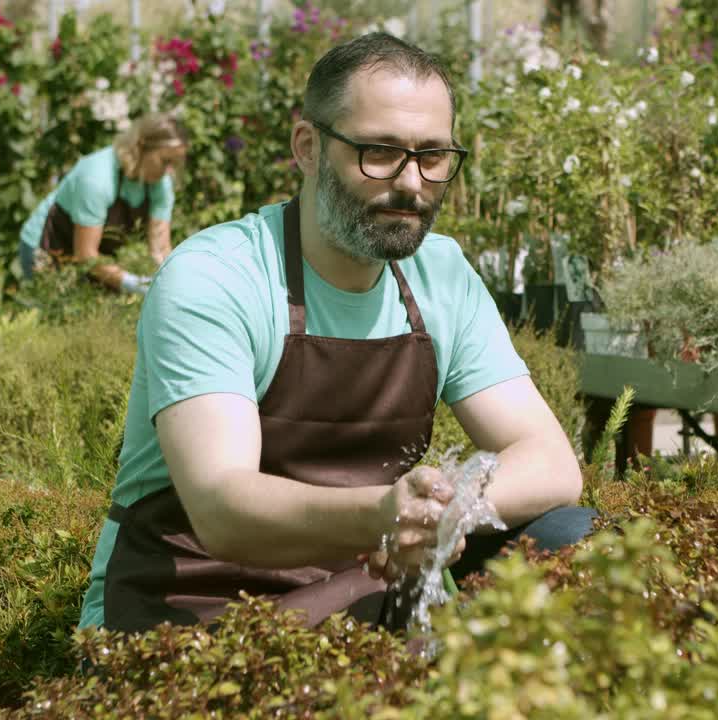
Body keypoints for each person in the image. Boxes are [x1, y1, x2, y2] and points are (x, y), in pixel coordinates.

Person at [78, 32, 593, 634]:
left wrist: (439, 513)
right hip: (189, 608)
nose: (411, 184)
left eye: (432, 157)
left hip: (362, 589)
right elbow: (222, 508)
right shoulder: (216, 277)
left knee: (573, 539)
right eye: (379, 151)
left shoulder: (441, 275)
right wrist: (380, 516)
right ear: (308, 146)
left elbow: (552, 462)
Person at [18, 113, 189, 293]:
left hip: (88, 252)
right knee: (55, 312)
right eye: (165, 161)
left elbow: (160, 248)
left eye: (175, 163)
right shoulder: (97, 178)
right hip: (47, 245)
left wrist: (170, 285)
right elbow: (86, 257)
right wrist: (134, 284)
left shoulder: (160, 183)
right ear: (141, 146)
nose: (170, 171)